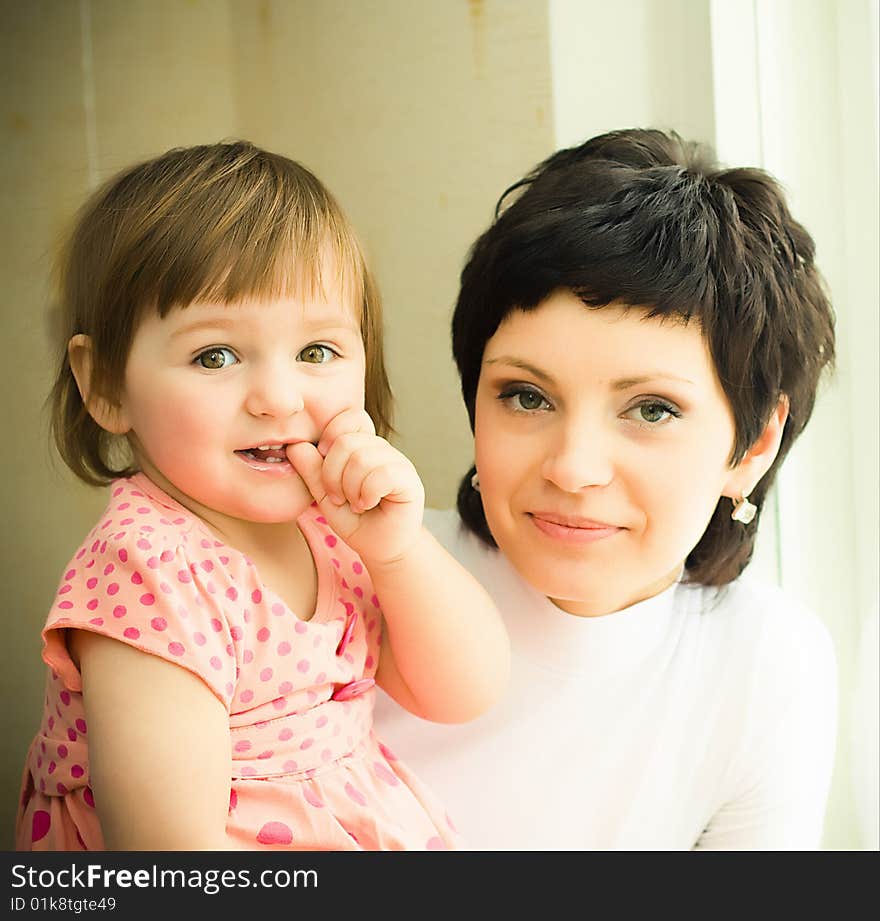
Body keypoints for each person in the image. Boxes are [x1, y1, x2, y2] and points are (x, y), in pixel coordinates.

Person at [16, 141, 508, 851]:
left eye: (317, 352)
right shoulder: (151, 569)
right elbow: (170, 855)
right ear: (105, 384)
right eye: (215, 355)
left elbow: (464, 691)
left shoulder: (328, 523)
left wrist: (398, 552)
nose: (279, 398)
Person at [374, 128, 838, 850]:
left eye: (651, 409)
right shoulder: (352, 578)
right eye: (527, 396)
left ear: (754, 444)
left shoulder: (767, 666)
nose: (573, 466)